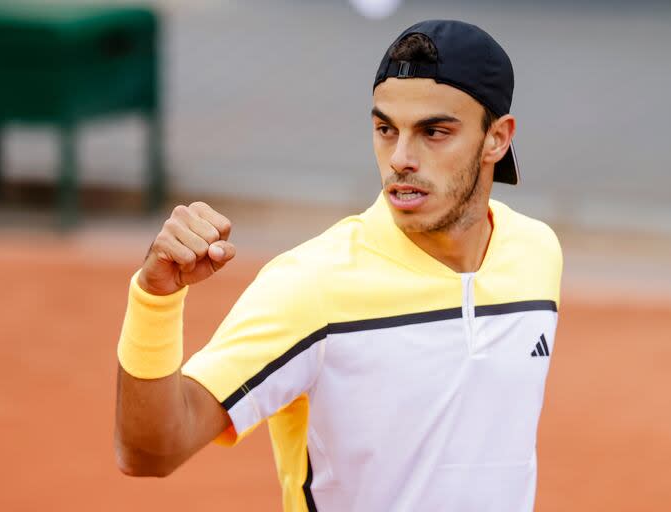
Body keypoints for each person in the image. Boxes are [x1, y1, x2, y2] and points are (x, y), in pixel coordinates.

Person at [114, 19, 562, 512]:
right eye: (385, 129)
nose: (401, 158)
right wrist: (154, 298)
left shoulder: (536, 254)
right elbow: (150, 451)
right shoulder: (313, 285)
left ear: (497, 139)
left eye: (434, 132)